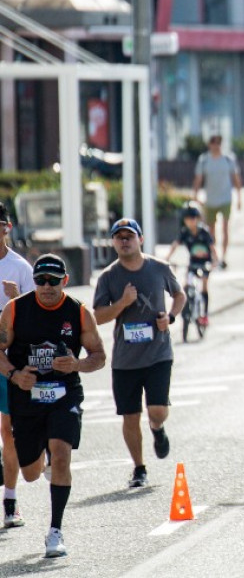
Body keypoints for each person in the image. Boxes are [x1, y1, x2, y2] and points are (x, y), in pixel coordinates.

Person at [0, 254, 106, 558]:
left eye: (53, 281)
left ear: (65, 281)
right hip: (27, 396)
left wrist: (77, 364)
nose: (46, 286)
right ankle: (41, 455)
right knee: (31, 473)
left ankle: (55, 531)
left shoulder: (79, 312)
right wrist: (14, 375)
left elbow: (99, 356)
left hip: (64, 394)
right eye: (40, 280)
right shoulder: (15, 309)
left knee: (61, 455)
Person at [93, 218, 186, 488]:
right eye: (119, 237)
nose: (124, 241)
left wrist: (170, 317)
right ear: (113, 242)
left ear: (140, 240)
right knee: (130, 416)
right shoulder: (108, 277)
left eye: (129, 236)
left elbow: (179, 295)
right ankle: (139, 468)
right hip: (125, 359)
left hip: (158, 353)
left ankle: (157, 428)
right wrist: (122, 303)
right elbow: (98, 316)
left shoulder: (159, 268)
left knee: (157, 411)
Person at [0, 202, 35, 528]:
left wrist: (17, 300)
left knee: (7, 431)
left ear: (6, 228)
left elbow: (38, 315)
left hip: (7, 360)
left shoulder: (20, 268)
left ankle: (10, 501)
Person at [192, 134, 242, 269]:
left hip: (226, 198)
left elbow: (235, 177)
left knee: (225, 227)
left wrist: (239, 197)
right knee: (211, 230)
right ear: (209, 144)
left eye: (218, 143)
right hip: (210, 200)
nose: (216, 146)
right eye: (213, 143)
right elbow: (198, 178)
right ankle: (214, 256)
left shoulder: (228, 159)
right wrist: (195, 195)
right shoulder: (204, 160)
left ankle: (224, 257)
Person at [165, 204, 218, 326]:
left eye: (193, 218)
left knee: (204, 285)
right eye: (188, 219)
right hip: (193, 262)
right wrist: (167, 258)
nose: (191, 222)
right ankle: (187, 308)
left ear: (197, 219)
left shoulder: (204, 232)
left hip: (205, 263)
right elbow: (175, 244)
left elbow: (212, 247)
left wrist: (215, 260)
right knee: (187, 284)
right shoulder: (185, 233)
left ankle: (204, 314)